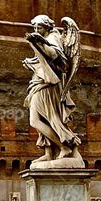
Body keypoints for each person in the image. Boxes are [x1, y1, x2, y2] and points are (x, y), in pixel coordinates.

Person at [23, 14, 83, 164]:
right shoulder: (45, 37)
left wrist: (40, 42)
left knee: (41, 119)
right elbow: (43, 60)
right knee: (42, 119)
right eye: (35, 27)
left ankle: (65, 146)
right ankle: (49, 153)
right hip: (40, 82)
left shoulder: (53, 37)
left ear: (47, 27)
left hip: (49, 85)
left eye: (40, 27)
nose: (37, 30)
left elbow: (55, 55)